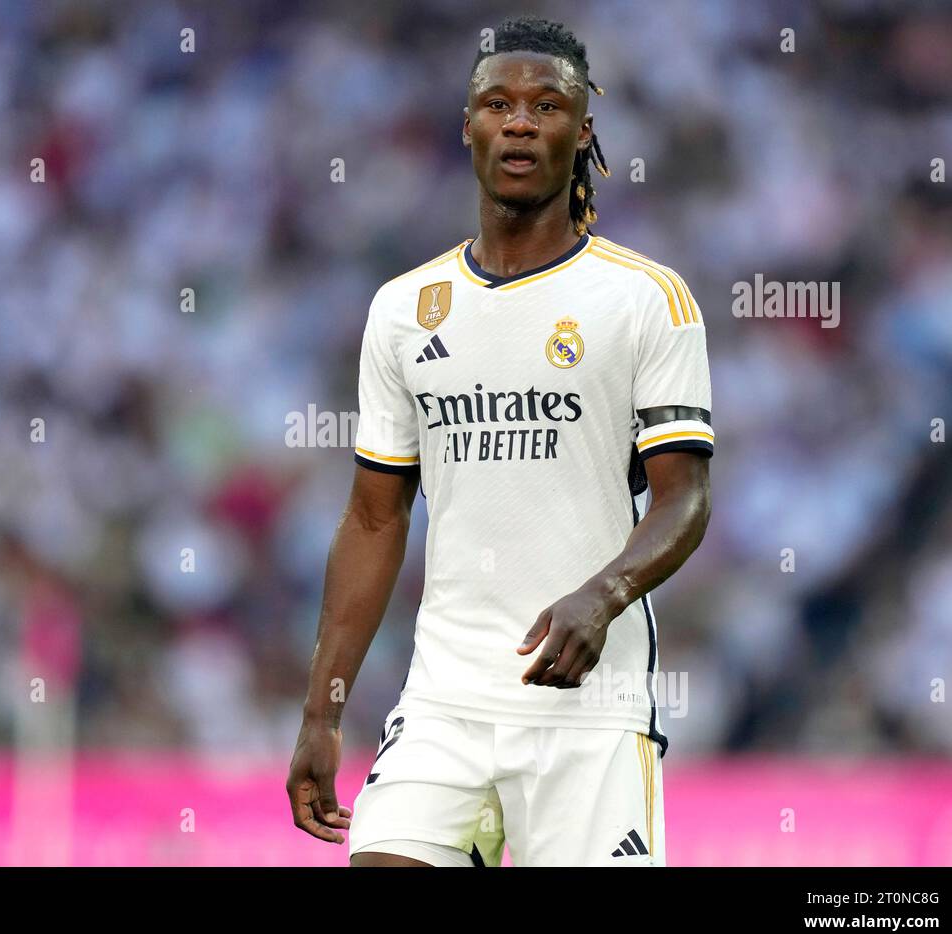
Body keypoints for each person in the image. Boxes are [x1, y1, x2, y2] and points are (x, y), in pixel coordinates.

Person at [287, 15, 712, 866]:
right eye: (498, 103)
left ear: (583, 130)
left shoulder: (644, 300)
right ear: (468, 124)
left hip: (589, 711)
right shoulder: (404, 309)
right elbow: (375, 520)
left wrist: (603, 595)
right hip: (444, 700)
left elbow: (684, 498)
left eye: (547, 105)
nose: (520, 121)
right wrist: (322, 711)